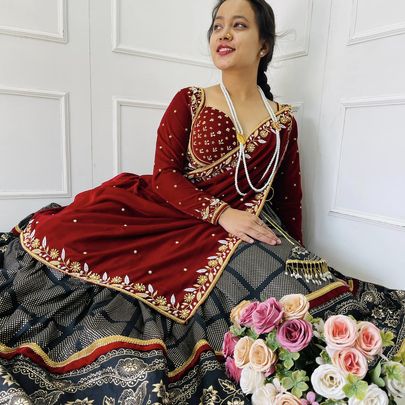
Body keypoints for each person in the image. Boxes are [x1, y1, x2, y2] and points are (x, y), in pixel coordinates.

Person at [0, 0, 404, 403]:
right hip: (170, 211)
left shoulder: (282, 122)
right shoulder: (191, 100)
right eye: (217, 25)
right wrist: (221, 214)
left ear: (264, 45)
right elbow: (164, 175)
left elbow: (288, 198)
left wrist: (297, 253)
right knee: (68, 242)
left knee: (302, 296)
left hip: (244, 225)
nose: (223, 34)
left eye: (239, 25)